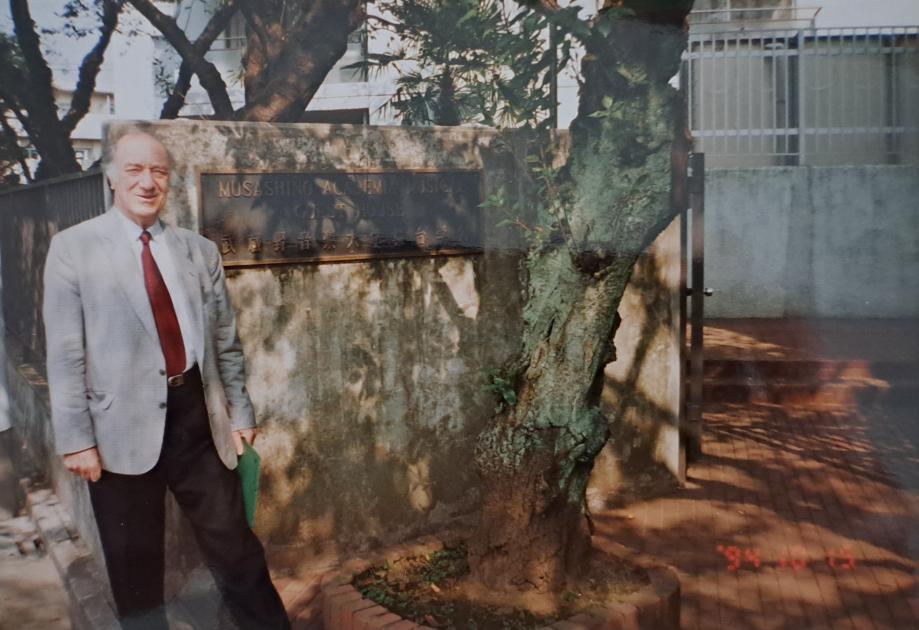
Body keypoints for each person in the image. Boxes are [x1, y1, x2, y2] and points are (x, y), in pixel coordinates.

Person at [42, 130, 291, 630]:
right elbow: (65, 356)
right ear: (111, 176)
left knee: (237, 550)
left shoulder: (198, 251)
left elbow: (225, 341)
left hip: (198, 421)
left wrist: (240, 413)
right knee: (135, 569)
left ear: (169, 181)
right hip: (117, 433)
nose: (147, 181)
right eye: (134, 169)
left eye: (157, 171)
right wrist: (76, 442)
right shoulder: (73, 249)